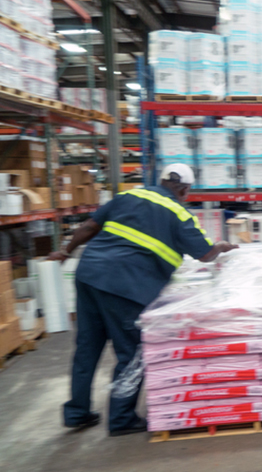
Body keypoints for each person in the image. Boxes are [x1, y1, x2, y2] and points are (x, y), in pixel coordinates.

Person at [48, 164, 237, 436]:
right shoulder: (180, 214)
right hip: (126, 286)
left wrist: (66, 251)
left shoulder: (129, 195)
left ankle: (77, 413)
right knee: (131, 352)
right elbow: (205, 255)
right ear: (185, 190)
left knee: (87, 347)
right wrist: (220, 246)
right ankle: (121, 419)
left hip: (89, 274)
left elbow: (89, 226)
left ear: (161, 181)